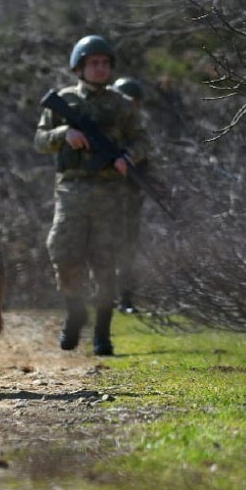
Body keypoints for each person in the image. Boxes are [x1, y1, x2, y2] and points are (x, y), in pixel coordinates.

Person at [34, 34, 148, 356]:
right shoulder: (64, 100)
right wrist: (64, 134)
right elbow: (40, 140)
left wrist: (129, 157)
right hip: (72, 189)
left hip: (111, 191)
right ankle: (75, 310)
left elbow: (143, 140)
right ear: (80, 67)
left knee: (105, 261)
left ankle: (102, 333)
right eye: (93, 63)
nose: (100, 69)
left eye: (104, 64)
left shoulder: (122, 105)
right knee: (63, 251)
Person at [110, 76, 148, 314]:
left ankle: (125, 298)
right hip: (104, 197)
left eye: (134, 102)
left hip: (130, 198)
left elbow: (146, 159)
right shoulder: (108, 130)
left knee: (128, 249)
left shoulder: (138, 132)